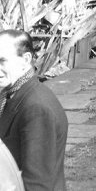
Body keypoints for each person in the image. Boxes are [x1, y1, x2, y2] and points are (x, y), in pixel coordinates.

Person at [0, 29, 68, 191]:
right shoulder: (11, 94)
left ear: (26, 59)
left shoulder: (36, 108)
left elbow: (38, 183)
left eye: (2, 61)